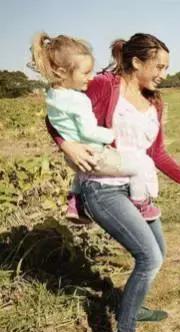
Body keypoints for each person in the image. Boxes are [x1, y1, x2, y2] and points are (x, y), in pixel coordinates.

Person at [45, 33, 180, 332]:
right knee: (148, 258)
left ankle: (132, 302)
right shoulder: (105, 85)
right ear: (136, 62)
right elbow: (56, 109)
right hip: (102, 187)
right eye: (159, 66)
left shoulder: (155, 101)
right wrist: (66, 145)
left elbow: (157, 153)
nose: (164, 73)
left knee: (158, 254)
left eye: (166, 67)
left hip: (137, 187)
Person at [30, 32, 161, 223]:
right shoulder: (83, 96)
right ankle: (140, 205)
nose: (90, 78)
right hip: (94, 156)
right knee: (140, 166)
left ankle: (75, 200)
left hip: (75, 160)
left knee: (85, 169)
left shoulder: (53, 95)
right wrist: (111, 135)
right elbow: (88, 131)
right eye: (85, 73)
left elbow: (53, 119)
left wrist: (67, 146)